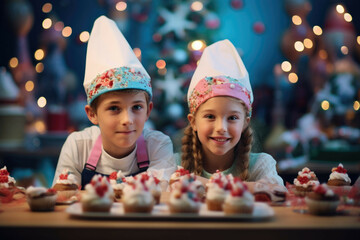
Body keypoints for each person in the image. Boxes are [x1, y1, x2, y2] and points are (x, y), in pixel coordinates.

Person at [53, 16, 176, 189]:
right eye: (114, 108)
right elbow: (62, 195)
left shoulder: (157, 145)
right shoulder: (78, 146)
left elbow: (160, 191)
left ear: (148, 110)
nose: (127, 119)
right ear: (92, 114)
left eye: (137, 107)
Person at [179, 39, 284, 191]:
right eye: (210, 116)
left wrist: (205, 184)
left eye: (233, 118)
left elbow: (277, 191)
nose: (221, 127)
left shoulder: (261, 164)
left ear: (245, 122)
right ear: (193, 121)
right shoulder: (175, 163)